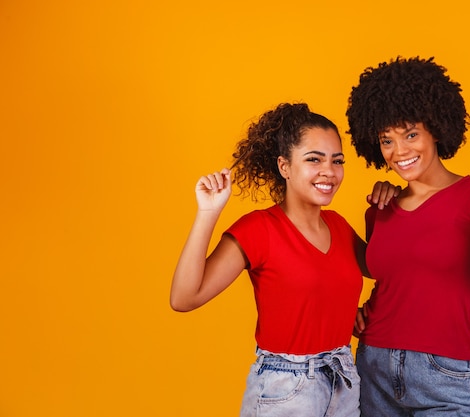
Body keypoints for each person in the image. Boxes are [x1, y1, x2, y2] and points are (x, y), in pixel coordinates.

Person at [170, 102, 397, 417]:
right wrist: (208, 213)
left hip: (343, 379)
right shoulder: (258, 229)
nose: (329, 171)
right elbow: (184, 297)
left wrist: (386, 209)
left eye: (337, 160)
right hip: (285, 389)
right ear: (284, 166)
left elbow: (389, 268)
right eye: (313, 159)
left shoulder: (339, 226)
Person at [346, 56, 470, 416]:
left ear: (436, 127)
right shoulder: (381, 207)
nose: (399, 152)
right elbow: (382, 273)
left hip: (444, 375)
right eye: (387, 140)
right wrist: (346, 313)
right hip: (373, 368)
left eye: (411, 134)